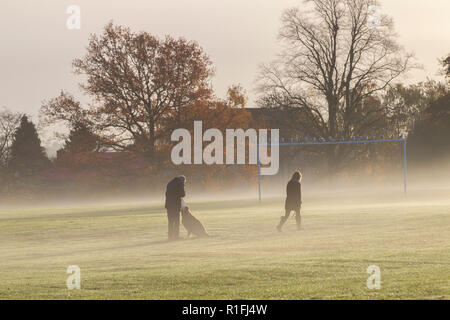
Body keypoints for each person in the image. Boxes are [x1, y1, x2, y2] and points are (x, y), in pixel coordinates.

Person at [164, 176, 186, 241]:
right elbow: (183, 194)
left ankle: (170, 236)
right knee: (176, 221)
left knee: (170, 221)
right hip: (175, 206)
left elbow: (166, 194)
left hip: (169, 205)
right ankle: (176, 236)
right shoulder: (180, 184)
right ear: (183, 180)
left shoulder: (170, 183)